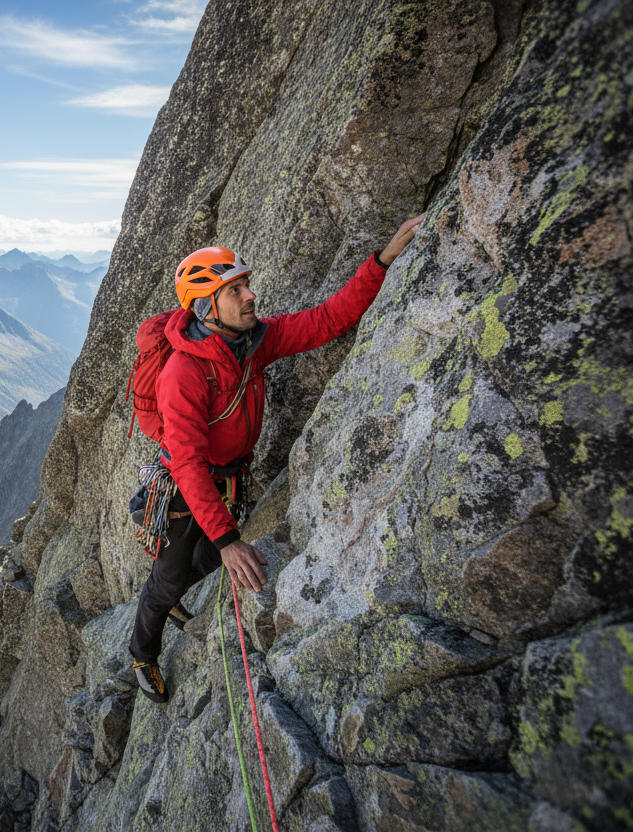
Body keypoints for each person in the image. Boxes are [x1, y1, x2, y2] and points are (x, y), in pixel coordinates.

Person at [131, 214, 425, 703]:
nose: (250, 296)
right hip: (188, 489)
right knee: (168, 580)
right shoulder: (183, 373)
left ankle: (181, 581)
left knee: (198, 563)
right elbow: (186, 463)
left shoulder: (250, 344)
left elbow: (327, 320)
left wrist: (382, 260)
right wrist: (229, 540)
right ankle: (142, 653)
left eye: (246, 285)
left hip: (227, 480)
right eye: (236, 290)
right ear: (207, 307)